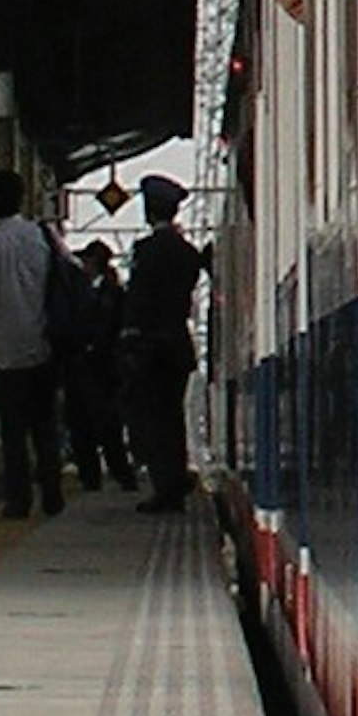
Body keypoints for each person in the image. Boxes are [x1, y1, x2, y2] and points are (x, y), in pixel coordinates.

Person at [0, 171, 65, 521]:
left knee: (13, 429)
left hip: (4, 348)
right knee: (45, 424)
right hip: (43, 343)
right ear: (22, 199)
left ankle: (18, 500)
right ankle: (53, 495)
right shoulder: (42, 237)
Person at [119, 177, 207, 511]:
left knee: (152, 419)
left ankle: (166, 487)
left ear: (149, 209)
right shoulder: (188, 253)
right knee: (172, 416)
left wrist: (129, 336)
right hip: (177, 344)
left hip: (149, 348)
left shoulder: (147, 251)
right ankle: (174, 478)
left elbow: (138, 301)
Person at [47, 212, 131, 496]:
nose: (82, 265)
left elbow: (104, 329)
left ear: (94, 262)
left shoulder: (106, 294)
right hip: (85, 367)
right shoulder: (105, 291)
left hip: (98, 368)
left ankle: (115, 474)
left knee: (102, 424)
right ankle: (94, 475)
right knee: (83, 423)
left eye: (86, 260)